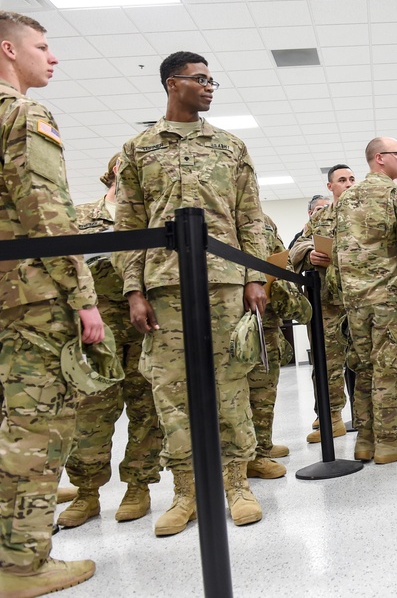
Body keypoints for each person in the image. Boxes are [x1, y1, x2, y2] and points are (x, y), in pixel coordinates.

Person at [117, 51, 269, 536]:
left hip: (224, 279)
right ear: (171, 83)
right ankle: (185, 491)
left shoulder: (230, 146)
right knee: (170, 389)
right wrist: (133, 289)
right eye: (199, 79)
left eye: (211, 81)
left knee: (230, 382)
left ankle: (237, 484)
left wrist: (255, 277)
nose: (208, 87)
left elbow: (248, 214)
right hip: (164, 284)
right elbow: (129, 223)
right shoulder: (138, 149)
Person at [0, 9, 102, 595]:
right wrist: (83, 297)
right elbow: (47, 215)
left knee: (12, 423)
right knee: (38, 430)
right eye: (42, 46)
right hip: (34, 298)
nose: (53, 56)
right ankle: (21, 566)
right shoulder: (24, 113)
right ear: (9, 51)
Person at [59, 155, 163, 530]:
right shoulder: (82, 213)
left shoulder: (152, 215)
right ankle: (87, 492)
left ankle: (139, 485)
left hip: (144, 322)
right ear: (114, 170)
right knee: (90, 411)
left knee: (146, 406)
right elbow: (66, 265)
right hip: (95, 323)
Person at [337, 137, 397, 464]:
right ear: (380, 158)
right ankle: (389, 440)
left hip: (354, 299)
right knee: (391, 366)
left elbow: (336, 250)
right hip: (387, 296)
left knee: (364, 365)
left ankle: (364, 439)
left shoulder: (346, 198)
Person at [288, 164, 356, 443]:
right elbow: (296, 246)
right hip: (329, 301)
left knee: (365, 362)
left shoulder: (367, 214)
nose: (349, 183)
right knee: (328, 364)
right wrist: (310, 253)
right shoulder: (321, 218)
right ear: (331, 186)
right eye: (342, 179)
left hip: (361, 299)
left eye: (352, 179)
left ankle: (368, 422)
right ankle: (333, 420)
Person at [243, 215, 290, 480]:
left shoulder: (265, 220)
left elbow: (280, 256)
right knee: (233, 391)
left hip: (266, 314)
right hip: (229, 312)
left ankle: (261, 449)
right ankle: (245, 453)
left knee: (264, 387)